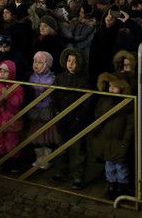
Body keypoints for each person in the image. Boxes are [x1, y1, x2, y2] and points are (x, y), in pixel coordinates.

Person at [52, 47, 90, 189]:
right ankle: (61, 171)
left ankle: (78, 176)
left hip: (77, 120)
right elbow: (54, 96)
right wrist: (56, 111)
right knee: (61, 146)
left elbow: (86, 101)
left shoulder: (84, 80)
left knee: (78, 149)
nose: (71, 64)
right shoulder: (60, 78)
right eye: (69, 60)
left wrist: (79, 118)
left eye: (74, 61)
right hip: (62, 118)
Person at [93, 72, 134, 199]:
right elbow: (98, 118)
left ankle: (122, 187)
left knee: (121, 167)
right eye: (110, 86)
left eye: (114, 87)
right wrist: (98, 136)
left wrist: (125, 142)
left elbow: (130, 126)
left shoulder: (128, 104)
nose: (111, 89)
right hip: (106, 140)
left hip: (119, 141)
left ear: (122, 88)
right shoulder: (103, 101)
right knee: (109, 166)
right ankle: (111, 185)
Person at [27, 51, 60, 170]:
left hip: (47, 110)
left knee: (48, 137)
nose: (36, 64)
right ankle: (39, 158)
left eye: (40, 62)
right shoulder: (31, 77)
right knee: (36, 137)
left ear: (47, 65)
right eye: (35, 61)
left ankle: (46, 160)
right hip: (35, 111)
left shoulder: (52, 79)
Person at [0, 60, 24, 173]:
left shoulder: (17, 87)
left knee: (11, 141)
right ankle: (2, 162)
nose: (2, 74)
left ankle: (14, 163)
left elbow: (18, 102)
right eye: (1, 71)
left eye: (6, 72)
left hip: (11, 118)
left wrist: (7, 95)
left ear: (12, 73)